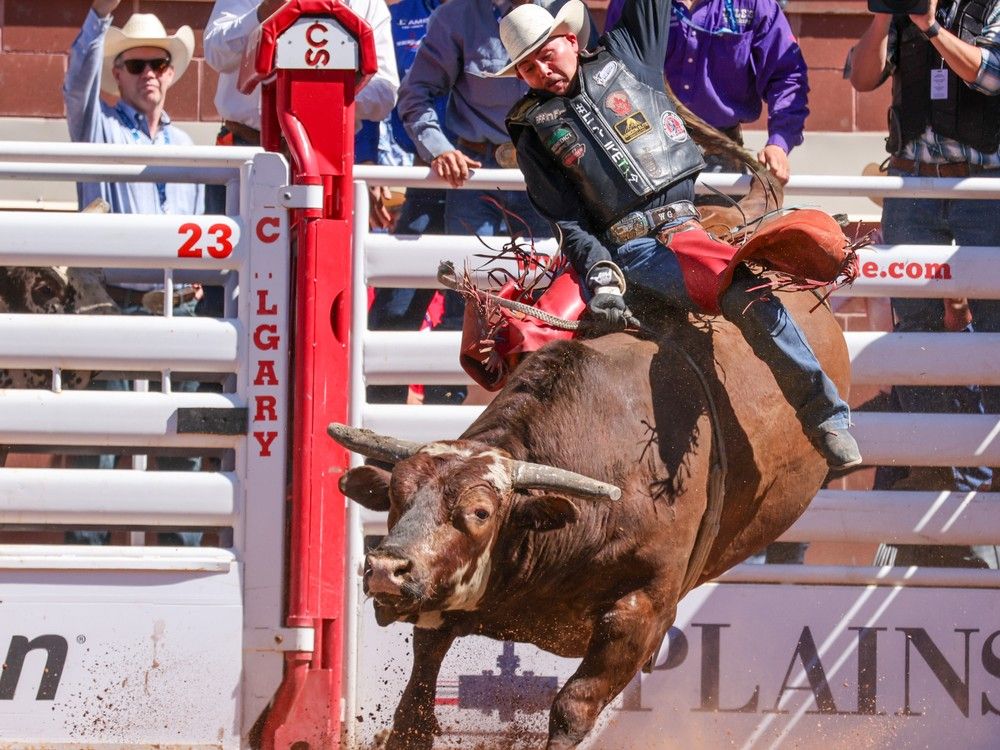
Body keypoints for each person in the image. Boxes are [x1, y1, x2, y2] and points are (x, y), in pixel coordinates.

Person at [490, 0, 862, 469]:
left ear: (570, 39)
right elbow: (568, 220)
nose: (543, 70)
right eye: (528, 66)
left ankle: (824, 416)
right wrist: (603, 274)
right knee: (527, 342)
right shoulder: (532, 130)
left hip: (685, 228)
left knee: (746, 292)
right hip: (628, 250)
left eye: (548, 53)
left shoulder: (627, 52)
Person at [847, 0, 1000, 567]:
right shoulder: (903, 16)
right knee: (913, 340)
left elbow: (990, 74)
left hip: (984, 191)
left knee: (994, 340)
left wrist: (931, 25)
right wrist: (886, 13)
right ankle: (932, 484)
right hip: (913, 186)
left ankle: (984, 496)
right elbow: (862, 77)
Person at [63, 0, 204, 546]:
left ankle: (178, 561)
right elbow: (78, 80)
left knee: (182, 441)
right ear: (117, 73)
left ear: (170, 73)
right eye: (137, 65)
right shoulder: (99, 127)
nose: (150, 74)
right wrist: (99, 15)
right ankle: (85, 556)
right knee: (100, 438)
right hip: (111, 301)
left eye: (158, 65)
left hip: (180, 305)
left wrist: (199, 279)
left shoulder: (186, 147)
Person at [202, 0, 400, 314]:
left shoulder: (365, 3)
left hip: (324, 158)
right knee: (229, 274)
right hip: (246, 149)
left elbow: (386, 91)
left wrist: (318, 89)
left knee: (314, 278)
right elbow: (214, 51)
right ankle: (228, 359)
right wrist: (263, 12)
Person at [396, 0, 597, 241]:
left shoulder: (563, 9)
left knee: (551, 268)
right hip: (475, 175)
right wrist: (439, 150)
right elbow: (416, 93)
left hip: (551, 166)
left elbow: (593, 80)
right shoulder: (456, 17)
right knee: (470, 268)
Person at [603, 0, 808, 184]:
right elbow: (609, 71)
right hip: (646, 147)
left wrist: (779, 143)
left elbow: (787, 77)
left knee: (729, 224)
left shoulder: (753, 5)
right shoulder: (632, 3)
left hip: (721, 149)